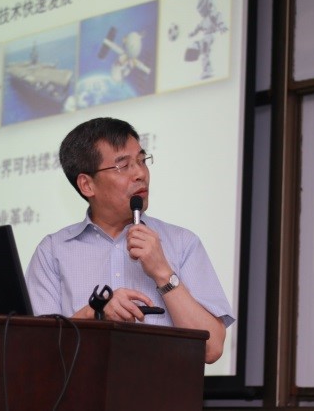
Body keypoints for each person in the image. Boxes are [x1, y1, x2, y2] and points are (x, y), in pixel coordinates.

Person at [25, 117, 234, 363]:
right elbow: (37, 351)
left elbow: (212, 348)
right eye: (123, 165)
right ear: (87, 185)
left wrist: (163, 273)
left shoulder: (182, 243)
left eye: (142, 161)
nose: (140, 174)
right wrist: (94, 313)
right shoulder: (53, 251)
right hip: (83, 388)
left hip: (162, 387)